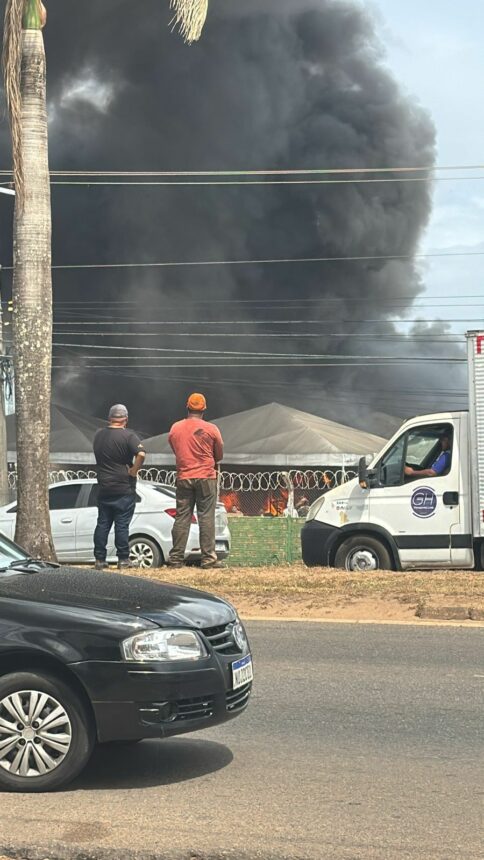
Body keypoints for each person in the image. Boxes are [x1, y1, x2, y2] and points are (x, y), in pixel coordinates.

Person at [168, 393, 224, 569]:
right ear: (204, 409)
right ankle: (208, 559)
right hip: (206, 477)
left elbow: (175, 449)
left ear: (187, 406)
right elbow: (219, 455)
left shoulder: (175, 428)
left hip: (184, 477)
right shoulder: (212, 429)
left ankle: (176, 558)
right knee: (206, 517)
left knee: (182, 517)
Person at [93, 404, 146, 570]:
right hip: (123, 487)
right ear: (126, 419)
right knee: (121, 524)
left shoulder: (98, 435)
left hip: (103, 486)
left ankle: (99, 559)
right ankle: (123, 559)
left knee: (103, 523)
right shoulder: (128, 436)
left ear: (110, 418)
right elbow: (142, 454)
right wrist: (133, 471)